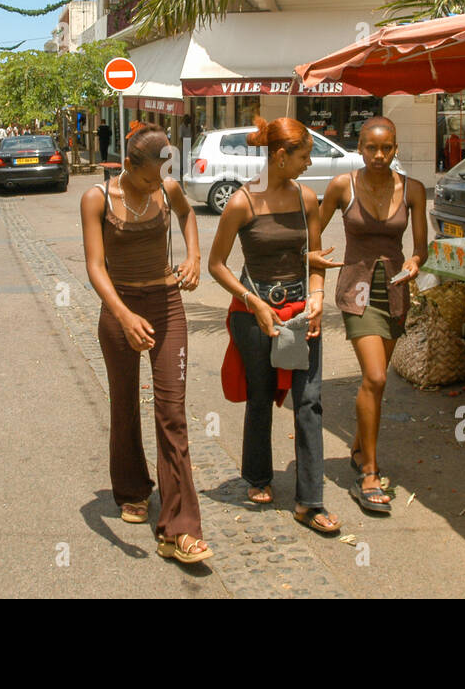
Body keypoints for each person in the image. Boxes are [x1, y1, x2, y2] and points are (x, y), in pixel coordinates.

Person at [81, 123, 210, 564]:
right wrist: (123, 314)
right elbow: (95, 266)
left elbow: (188, 215)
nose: (160, 183)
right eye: (152, 176)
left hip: (166, 305)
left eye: (164, 175)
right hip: (119, 309)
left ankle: (180, 528)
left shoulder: (168, 187)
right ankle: (132, 489)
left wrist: (193, 257)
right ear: (130, 165)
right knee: (124, 403)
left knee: (172, 412)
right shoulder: (97, 198)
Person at [208, 116, 338, 536]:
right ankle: (259, 477)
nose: (308, 164)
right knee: (260, 396)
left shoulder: (307, 198)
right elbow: (216, 264)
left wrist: (317, 297)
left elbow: (315, 257)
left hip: (301, 312)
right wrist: (252, 302)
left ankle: (310, 501)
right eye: (303, 157)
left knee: (309, 402)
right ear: (280, 156)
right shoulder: (242, 202)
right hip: (254, 313)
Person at [312, 117, 427, 514]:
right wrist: (312, 258)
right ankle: (369, 474)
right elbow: (315, 227)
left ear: (396, 149)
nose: (379, 155)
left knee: (375, 384)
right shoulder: (343, 185)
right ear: (359, 147)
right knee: (375, 376)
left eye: (387, 148)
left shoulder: (413, 190)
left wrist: (414, 262)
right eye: (371, 148)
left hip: (395, 291)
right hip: (356, 291)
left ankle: (360, 449)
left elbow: (421, 248)